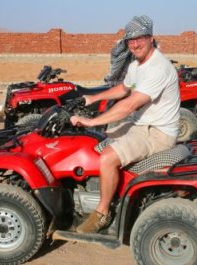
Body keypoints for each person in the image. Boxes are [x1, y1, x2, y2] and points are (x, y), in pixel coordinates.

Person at [70, 15, 180, 234]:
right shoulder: (138, 64)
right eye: (130, 40)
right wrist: (91, 98)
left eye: (140, 38)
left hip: (157, 133)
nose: (135, 44)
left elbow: (129, 105)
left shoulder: (158, 67)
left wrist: (91, 121)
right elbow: (123, 89)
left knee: (107, 156)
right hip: (143, 124)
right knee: (100, 136)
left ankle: (102, 213)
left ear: (150, 38)